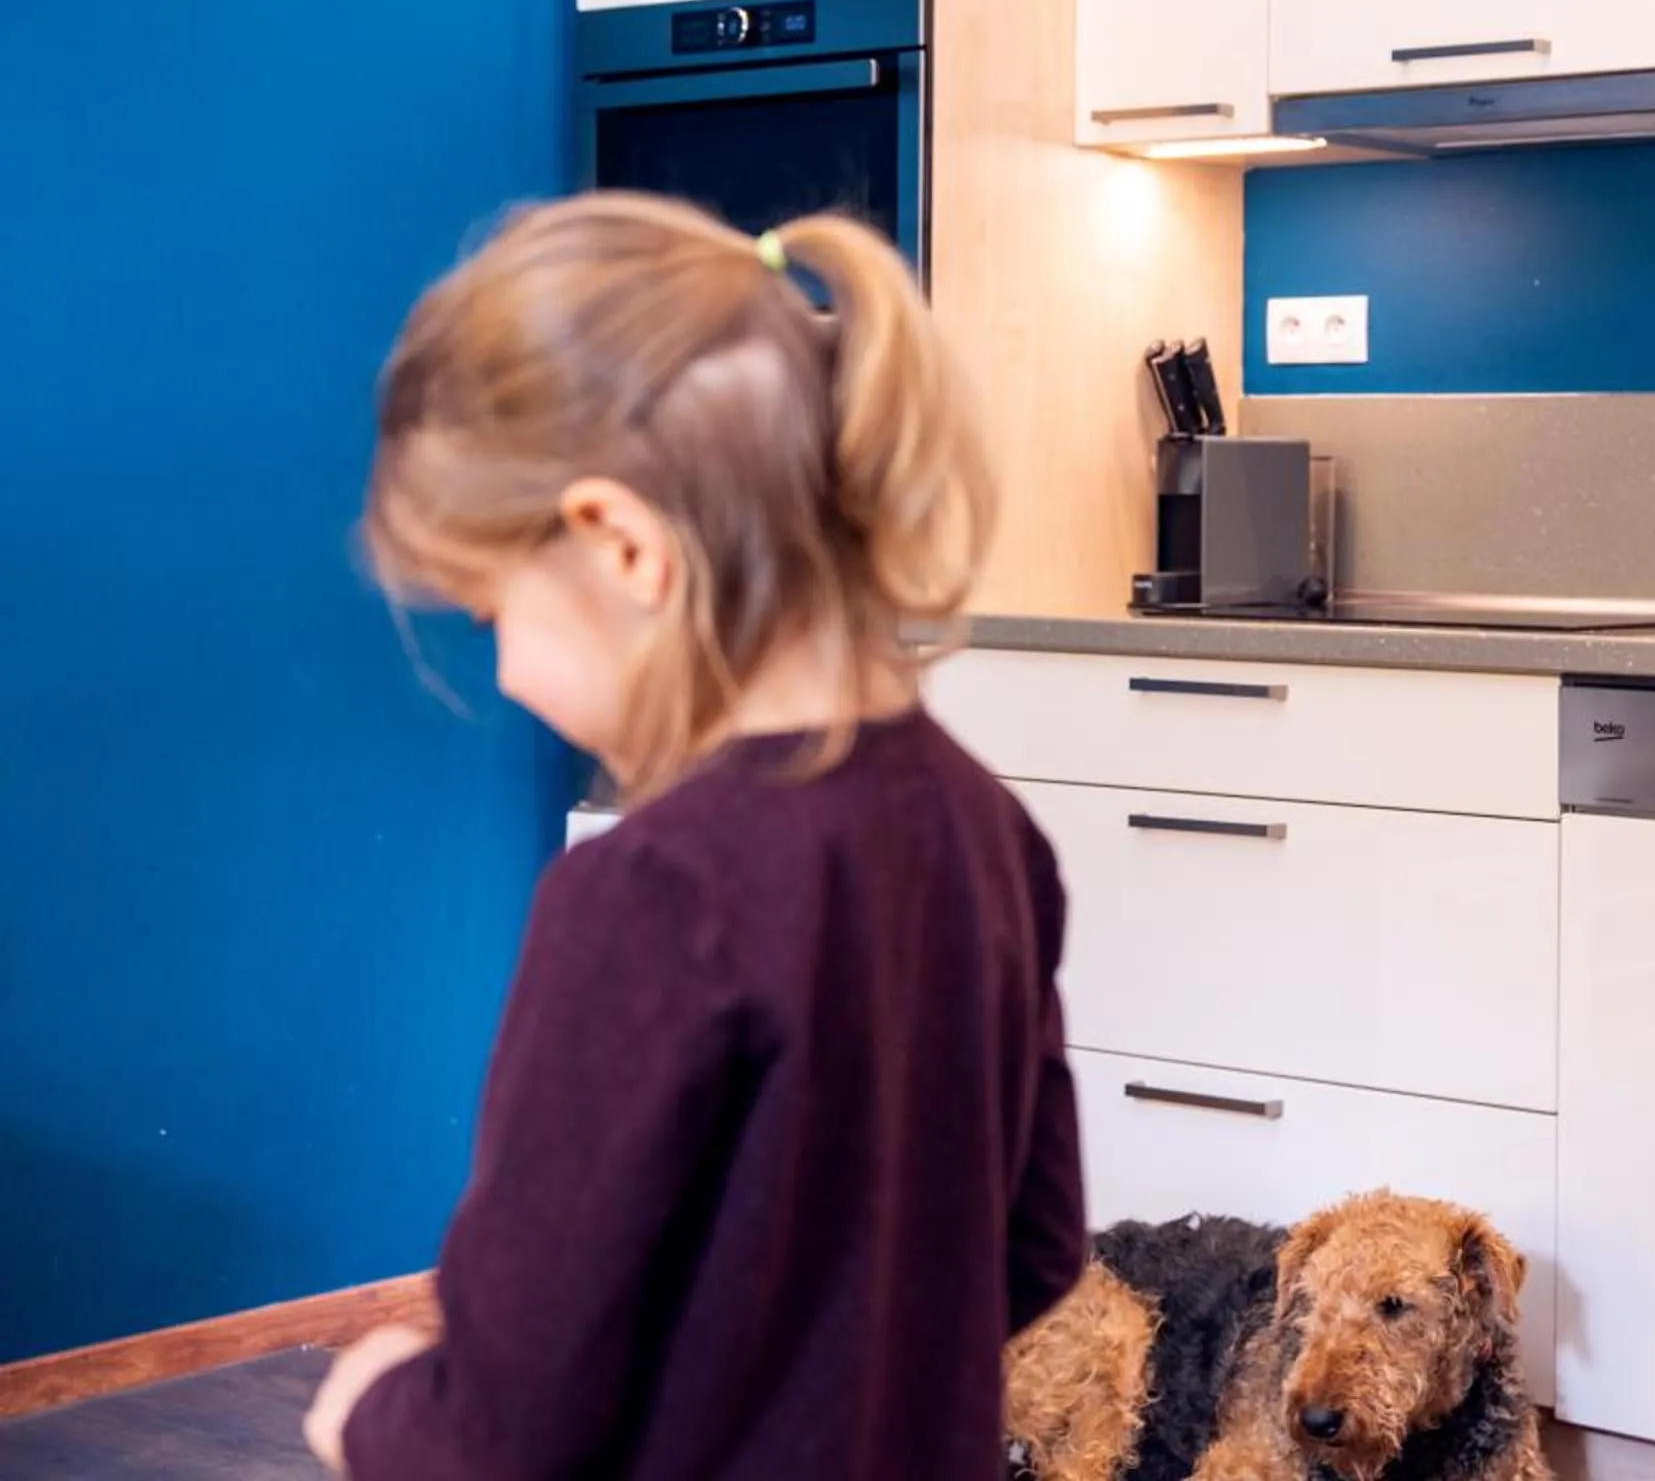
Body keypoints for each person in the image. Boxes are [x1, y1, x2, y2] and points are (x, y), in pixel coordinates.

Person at [304, 194, 1088, 1477]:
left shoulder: (650, 893)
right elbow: (1035, 1247)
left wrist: (375, 1411)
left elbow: (503, 1433)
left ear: (620, 543)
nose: (501, 670)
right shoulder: (986, 827)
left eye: (493, 607)